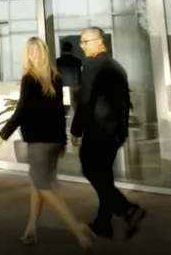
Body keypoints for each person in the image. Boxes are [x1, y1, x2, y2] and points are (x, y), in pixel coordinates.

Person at [0, 38, 94, 250]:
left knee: (44, 187)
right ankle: (30, 230)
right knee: (37, 184)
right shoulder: (55, 78)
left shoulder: (30, 79)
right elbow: (60, 112)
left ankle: (78, 231)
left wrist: (3, 133)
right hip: (54, 141)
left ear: (29, 55)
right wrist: (63, 141)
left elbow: (21, 111)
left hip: (39, 142)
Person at [70, 27, 146, 240]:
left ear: (100, 42)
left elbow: (86, 101)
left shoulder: (92, 66)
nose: (82, 45)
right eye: (81, 42)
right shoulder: (117, 67)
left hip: (99, 130)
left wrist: (76, 131)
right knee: (104, 173)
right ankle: (104, 223)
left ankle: (128, 210)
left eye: (86, 41)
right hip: (117, 130)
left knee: (90, 168)